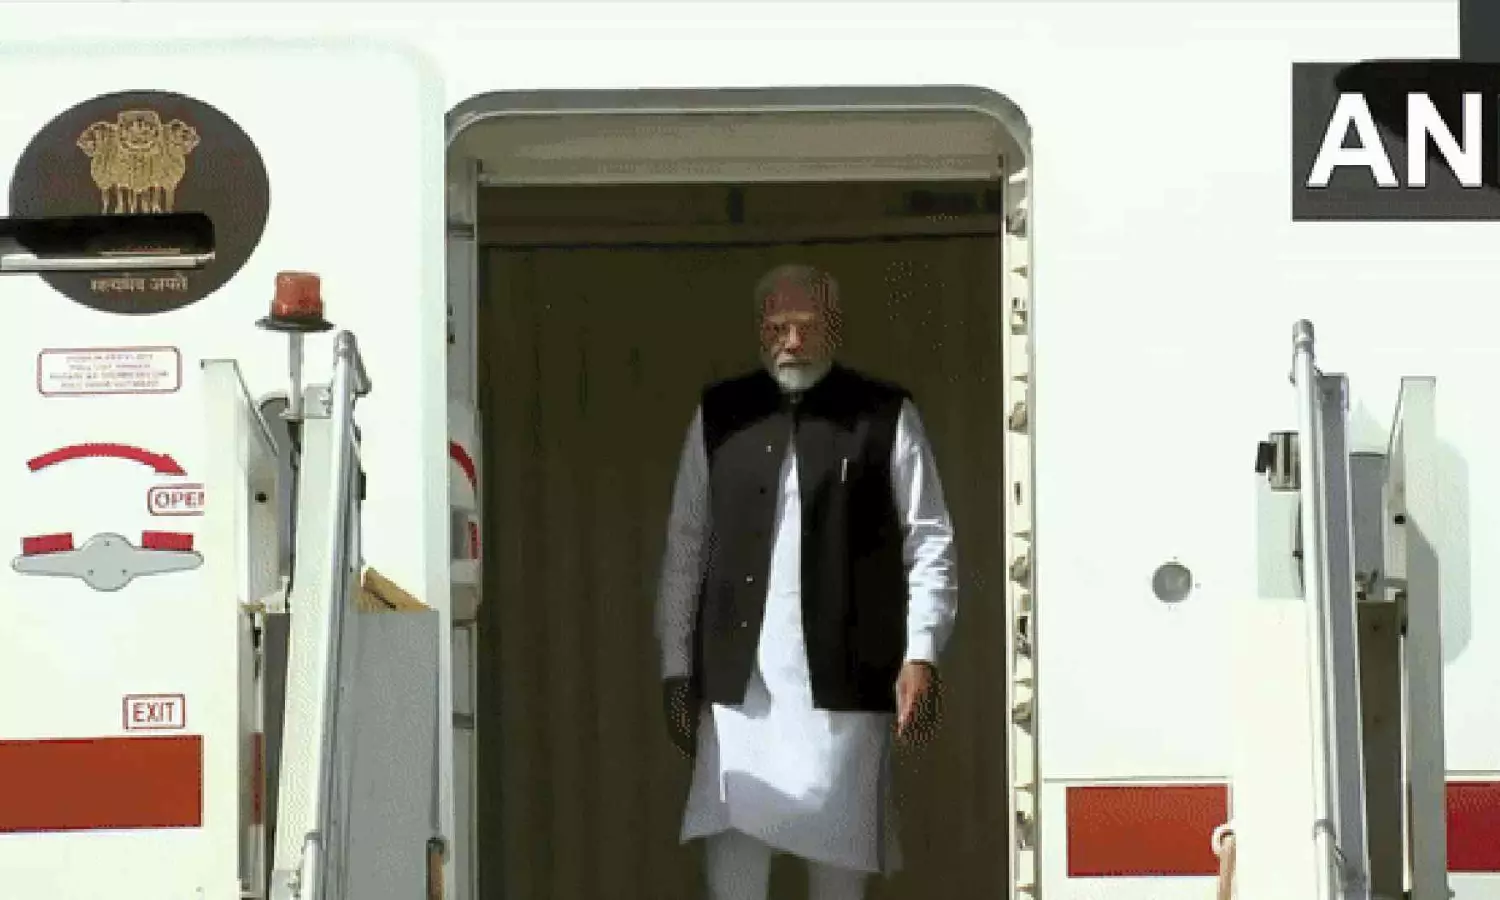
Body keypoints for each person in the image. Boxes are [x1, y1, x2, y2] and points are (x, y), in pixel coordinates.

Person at [654, 262, 959, 900]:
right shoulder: (719, 416)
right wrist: (675, 667)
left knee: (838, 881)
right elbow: (685, 546)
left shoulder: (884, 414)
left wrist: (922, 652)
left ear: (835, 327)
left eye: (806, 325)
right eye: (777, 327)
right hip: (738, 694)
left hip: (843, 694)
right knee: (733, 878)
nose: (790, 342)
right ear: (758, 329)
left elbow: (929, 537)